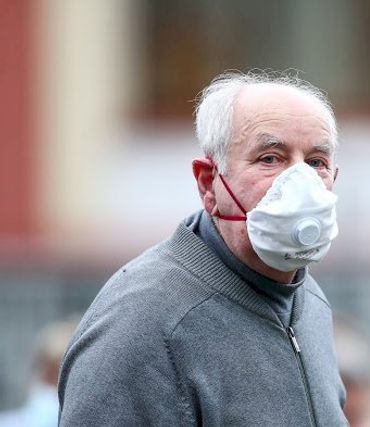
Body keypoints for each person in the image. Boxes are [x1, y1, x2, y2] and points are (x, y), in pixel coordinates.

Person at [58, 71, 347, 426]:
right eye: (270, 158)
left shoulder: (309, 301)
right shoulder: (142, 324)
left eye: (316, 162)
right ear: (209, 184)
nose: (301, 182)